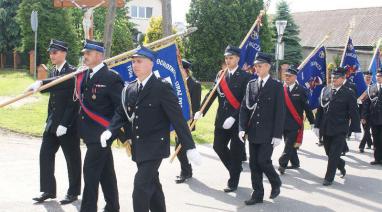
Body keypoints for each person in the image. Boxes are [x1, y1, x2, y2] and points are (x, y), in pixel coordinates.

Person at [100, 46, 201, 212]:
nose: (135, 65)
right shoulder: (130, 89)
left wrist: (189, 147)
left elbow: (177, 119)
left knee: (140, 187)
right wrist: (110, 130)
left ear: (151, 64)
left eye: (139, 61)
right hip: (138, 148)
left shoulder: (162, 87)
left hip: (155, 147)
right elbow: (121, 113)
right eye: (133, 61)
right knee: (153, 184)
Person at [28, 39, 81, 204]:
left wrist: (64, 124)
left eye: (55, 52)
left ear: (64, 53)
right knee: (45, 155)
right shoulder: (52, 71)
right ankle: (48, 190)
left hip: (68, 125)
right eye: (51, 52)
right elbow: (53, 100)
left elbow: (74, 102)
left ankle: (73, 192)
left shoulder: (72, 72)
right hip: (52, 123)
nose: (52, 55)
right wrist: (48, 120)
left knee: (72, 159)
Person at [193, 45, 251, 192]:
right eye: (226, 58)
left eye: (231, 58)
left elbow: (245, 102)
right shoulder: (220, 75)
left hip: (237, 122)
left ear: (237, 59)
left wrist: (233, 117)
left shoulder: (245, 77)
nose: (228, 60)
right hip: (221, 119)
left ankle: (233, 181)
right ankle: (235, 170)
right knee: (218, 146)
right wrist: (201, 110)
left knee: (236, 151)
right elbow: (211, 94)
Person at [77, 39, 125, 212]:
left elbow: (121, 108)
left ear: (99, 55)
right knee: (106, 174)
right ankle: (113, 207)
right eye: (84, 53)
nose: (85, 56)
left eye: (88, 53)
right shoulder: (85, 74)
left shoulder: (111, 78)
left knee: (90, 173)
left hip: (102, 135)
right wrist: (42, 84)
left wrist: (111, 131)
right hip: (90, 134)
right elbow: (62, 81)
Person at [239, 52, 284, 205]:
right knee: (253, 164)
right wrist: (241, 128)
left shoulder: (276, 86)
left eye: (260, 66)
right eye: (256, 66)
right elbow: (245, 108)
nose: (256, 69)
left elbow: (280, 112)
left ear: (268, 67)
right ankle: (257, 194)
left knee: (263, 161)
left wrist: (277, 134)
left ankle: (275, 181)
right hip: (253, 132)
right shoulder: (251, 85)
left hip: (269, 133)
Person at [314, 67, 361, 186]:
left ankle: (329, 178)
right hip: (326, 128)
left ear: (343, 79)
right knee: (329, 153)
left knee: (334, 153)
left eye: (336, 77)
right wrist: (317, 125)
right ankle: (341, 164)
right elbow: (320, 109)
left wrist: (356, 129)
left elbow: (354, 112)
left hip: (340, 128)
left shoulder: (349, 93)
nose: (333, 79)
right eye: (332, 77)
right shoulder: (326, 90)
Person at [278, 67, 315, 175]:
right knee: (289, 143)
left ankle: (282, 164)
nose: (287, 78)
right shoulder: (281, 88)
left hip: (295, 123)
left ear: (295, 77)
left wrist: (312, 122)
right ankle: (295, 162)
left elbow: (306, 107)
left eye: (289, 76)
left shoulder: (301, 90)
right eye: (286, 76)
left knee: (288, 145)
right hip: (283, 123)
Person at [174, 59, 202, 184]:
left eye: (179, 69)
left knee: (180, 148)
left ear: (185, 70)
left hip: (188, 121)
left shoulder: (195, 84)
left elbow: (196, 105)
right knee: (180, 147)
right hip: (176, 120)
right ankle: (187, 170)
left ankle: (185, 172)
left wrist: (193, 120)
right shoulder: (177, 83)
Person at [362, 69, 382, 165]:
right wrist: (364, 117)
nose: (378, 77)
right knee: (376, 139)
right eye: (377, 76)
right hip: (374, 119)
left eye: (380, 76)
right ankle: (377, 159)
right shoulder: (371, 88)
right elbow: (366, 104)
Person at [359, 71, 373, 152]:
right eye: (367, 77)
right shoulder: (360, 88)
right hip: (361, 111)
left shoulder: (373, 87)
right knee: (365, 129)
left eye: (369, 77)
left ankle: (362, 146)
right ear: (363, 78)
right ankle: (370, 143)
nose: (368, 79)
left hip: (371, 112)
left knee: (367, 129)